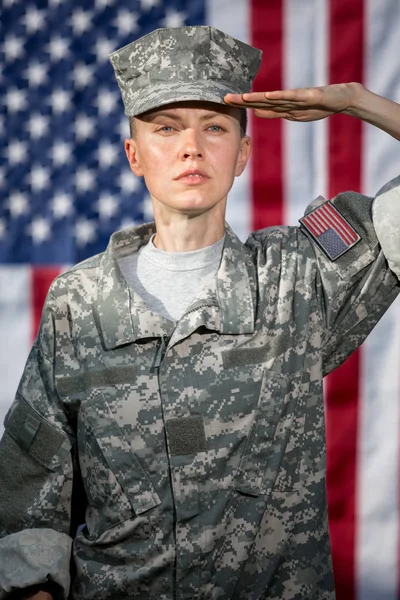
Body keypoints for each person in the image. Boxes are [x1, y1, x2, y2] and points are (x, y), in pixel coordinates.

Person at [0, 25, 400, 600]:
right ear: (133, 155)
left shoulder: (299, 276)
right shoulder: (78, 302)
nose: (191, 147)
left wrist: (358, 100)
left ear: (242, 154)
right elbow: (30, 488)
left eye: (214, 127)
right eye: (167, 128)